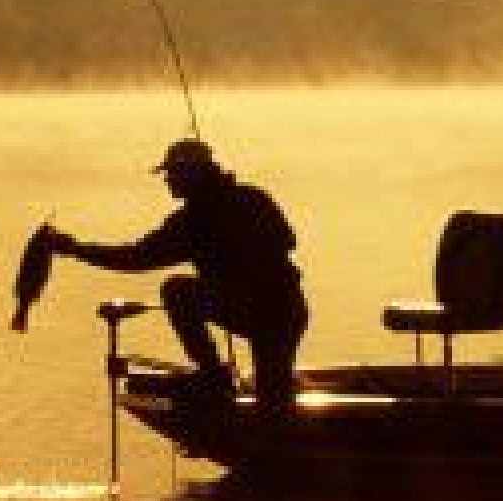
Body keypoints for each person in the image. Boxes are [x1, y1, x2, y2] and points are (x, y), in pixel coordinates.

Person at [48, 138, 308, 414]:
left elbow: (135, 258)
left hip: (268, 313)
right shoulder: (253, 197)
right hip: (287, 309)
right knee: (273, 395)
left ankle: (213, 375)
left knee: (177, 291)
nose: (168, 180)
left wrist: (74, 249)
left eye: (172, 173)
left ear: (192, 173)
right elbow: (288, 239)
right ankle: (226, 382)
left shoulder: (192, 221)